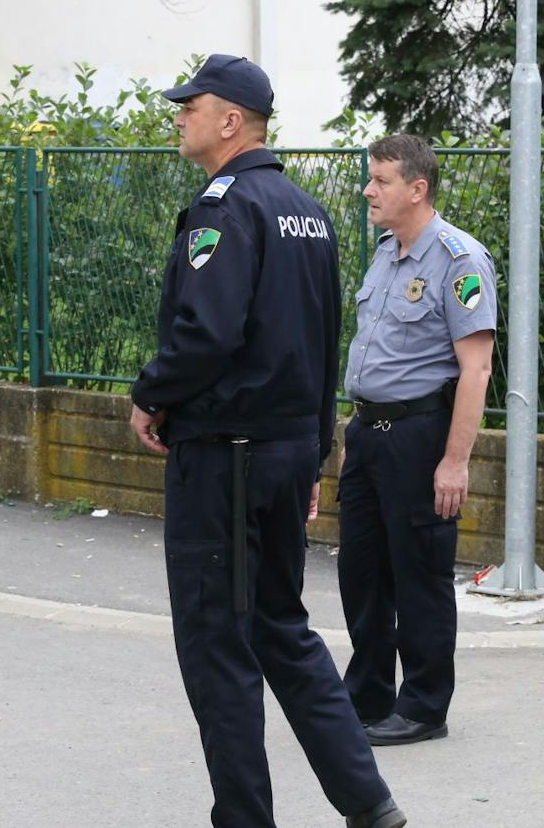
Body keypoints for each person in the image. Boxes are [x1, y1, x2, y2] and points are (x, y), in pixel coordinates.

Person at [127, 54, 406, 828]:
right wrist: (316, 450)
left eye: (193, 105)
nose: (179, 114)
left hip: (225, 457)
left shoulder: (227, 207)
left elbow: (207, 332)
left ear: (232, 121)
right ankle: (369, 801)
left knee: (218, 646)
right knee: (283, 627)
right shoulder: (308, 210)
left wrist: (150, 394)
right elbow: (323, 342)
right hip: (282, 454)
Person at [339, 135, 497, 748]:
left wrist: (454, 462)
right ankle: (368, 695)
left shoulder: (459, 260)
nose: (368, 190)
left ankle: (425, 705)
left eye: (380, 180)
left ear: (416, 188)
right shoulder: (385, 253)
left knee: (419, 574)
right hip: (370, 432)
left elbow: (476, 371)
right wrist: (356, 435)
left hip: (419, 437)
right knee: (361, 571)